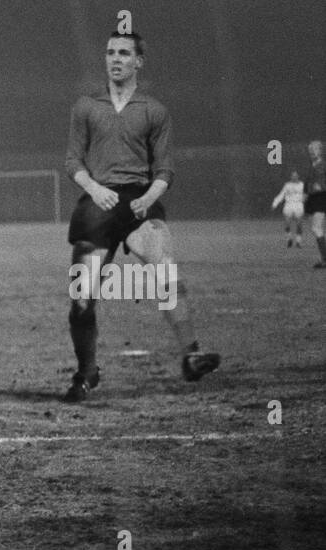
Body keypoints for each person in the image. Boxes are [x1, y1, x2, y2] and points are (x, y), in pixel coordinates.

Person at [61, 32, 220, 403]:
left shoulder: (155, 111)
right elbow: (72, 161)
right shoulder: (86, 107)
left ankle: (190, 356)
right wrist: (95, 189)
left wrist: (148, 197)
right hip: (96, 203)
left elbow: (165, 169)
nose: (115, 59)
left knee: (165, 269)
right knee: (82, 298)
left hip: (138, 201)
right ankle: (86, 373)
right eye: (110, 52)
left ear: (138, 62)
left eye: (124, 53)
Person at [305, 141, 326, 268]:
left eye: (315, 149)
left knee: (317, 228)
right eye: (310, 149)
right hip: (314, 199)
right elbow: (309, 184)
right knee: (316, 228)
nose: (312, 151)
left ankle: (325, 259)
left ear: (321, 150)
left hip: (321, 198)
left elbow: (320, 184)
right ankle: (324, 258)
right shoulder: (312, 166)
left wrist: (320, 186)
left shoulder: (323, 165)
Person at [272, 171, 306, 248]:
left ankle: (298, 242)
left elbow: (306, 195)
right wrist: (275, 204)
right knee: (287, 223)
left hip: (298, 205)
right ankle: (289, 239)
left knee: (299, 224)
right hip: (289, 205)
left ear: (298, 176)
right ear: (291, 177)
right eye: (292, 176)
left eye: (295, 176)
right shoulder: (287, 185)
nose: (294, 177)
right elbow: (281, 195)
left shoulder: (302, 185)